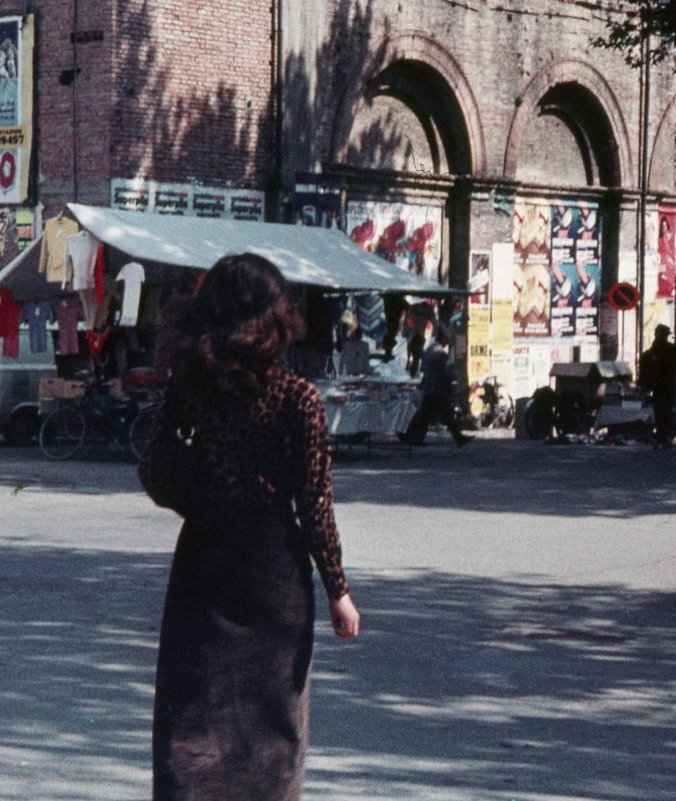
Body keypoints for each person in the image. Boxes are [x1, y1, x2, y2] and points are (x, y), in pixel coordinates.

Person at [139, 254, 359, 801]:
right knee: (273, 722)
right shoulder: (299, 399)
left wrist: (202, 500)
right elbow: (315, 504)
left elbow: (155, 472)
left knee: (192, 714)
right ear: (275, 317)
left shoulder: (190, 389)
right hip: (274, 574)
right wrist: (340, 592)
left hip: (203, 565)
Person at [404, 324, 471, 447]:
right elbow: (446, 374)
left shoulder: (428, 351)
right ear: (443, 339)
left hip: (429, 388)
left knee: (425, 416)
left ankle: (417, 439)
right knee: (445, 415)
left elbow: (424, 370)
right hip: (438, 390)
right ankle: (458, 438)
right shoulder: (441, 354)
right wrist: (451, 388)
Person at [637, 325, 676, 448]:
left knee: (663, 411)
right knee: (661, 411)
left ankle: (666, 435)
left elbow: (668, 367)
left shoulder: (670, 351)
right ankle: (664, 435)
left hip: (664, 386)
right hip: (661, 386)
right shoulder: (656, 352)